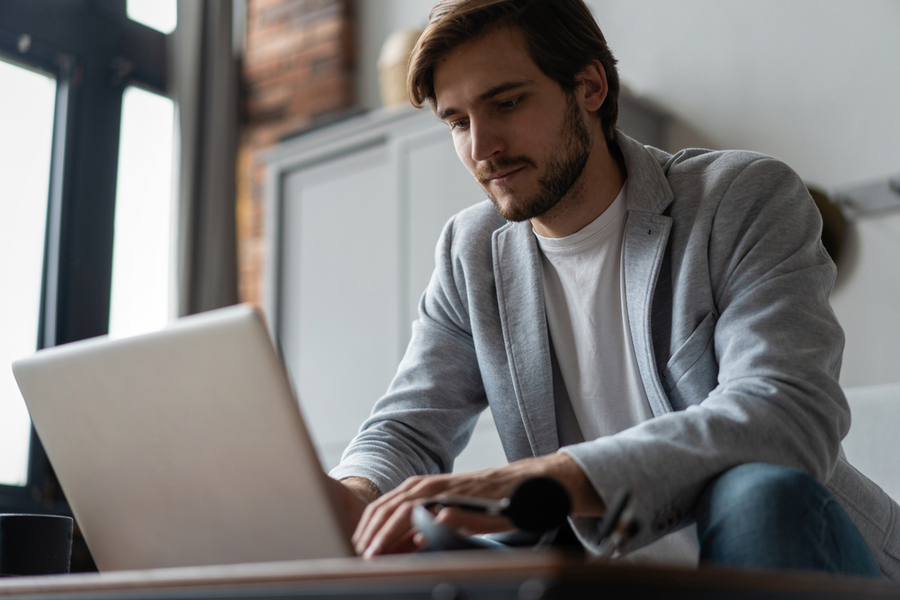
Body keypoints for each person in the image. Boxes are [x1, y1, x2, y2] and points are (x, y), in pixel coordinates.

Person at [329, 0, 899, 578]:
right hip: (610, 575)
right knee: (407, 550)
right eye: (457, 122)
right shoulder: (471, 251)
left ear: (590, 87)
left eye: (506, 103)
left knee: (755, 495)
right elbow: (407, 427)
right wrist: (347, 495)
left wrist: (551, 478)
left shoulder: (741, 198)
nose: (481, 148)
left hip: (798, 554)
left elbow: (784, 415)